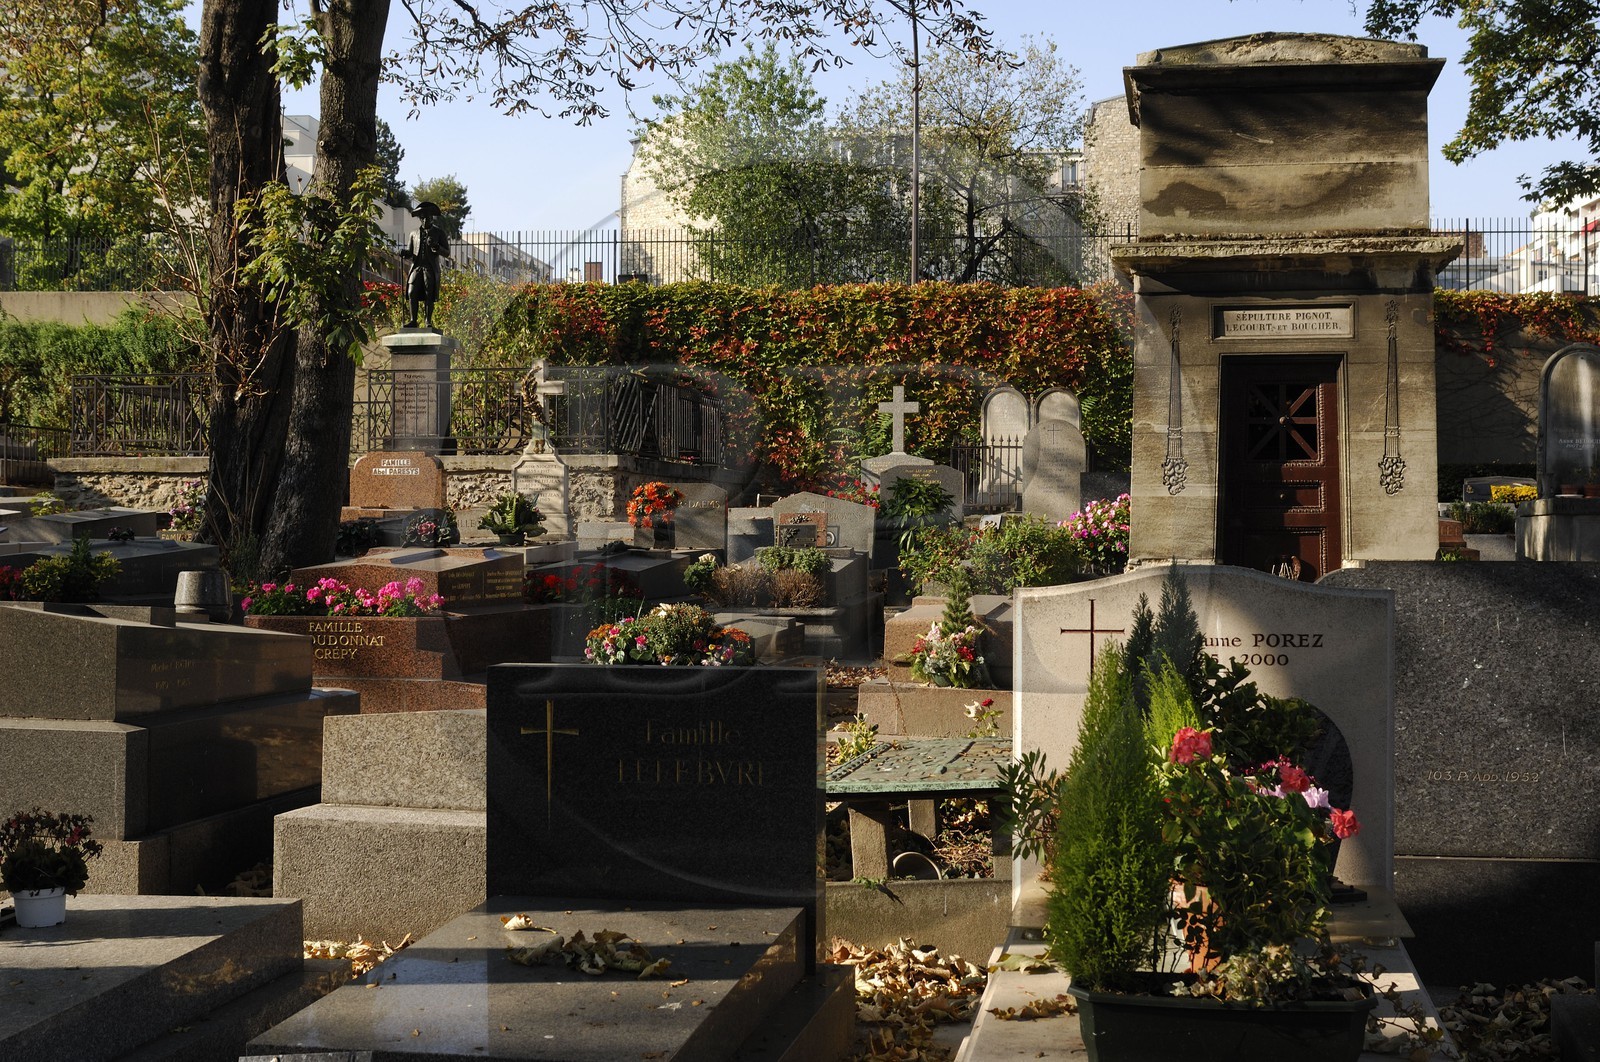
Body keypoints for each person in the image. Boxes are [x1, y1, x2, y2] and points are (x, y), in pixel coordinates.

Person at [402, 201, 450, 329]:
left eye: (427, 217)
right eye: (422, 218)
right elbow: (410, 252)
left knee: (429, 294)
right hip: (416, 267)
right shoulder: (413, 233)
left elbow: (447, 252)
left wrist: (436, 247)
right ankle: (413, 320)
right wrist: (404, 253)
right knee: (412, 292)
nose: (425, 220)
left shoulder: (439, 233)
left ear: (432, 218)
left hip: (430, 268)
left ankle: (428, 321)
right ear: (420, 219)